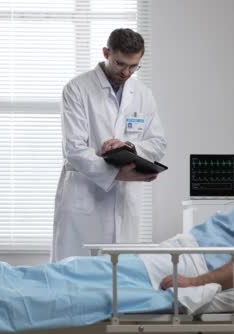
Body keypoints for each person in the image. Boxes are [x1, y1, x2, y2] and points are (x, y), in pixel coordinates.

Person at [0, 154, 234, 332]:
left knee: (81, 281)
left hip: (184, 266)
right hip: (176, 256)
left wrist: (191, 283)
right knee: (77, 272)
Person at [52, 28, 167, 262]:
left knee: (118, 281)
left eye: (134, 66)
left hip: (125, 203)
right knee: (76, 275)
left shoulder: (143, 94)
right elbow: (74, 149)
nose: (126, 72)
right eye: (120, 64)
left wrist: (129, 147)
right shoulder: (77, 89)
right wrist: (117, 173)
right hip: (84, 198)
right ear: (106, 52)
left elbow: (157, 142)